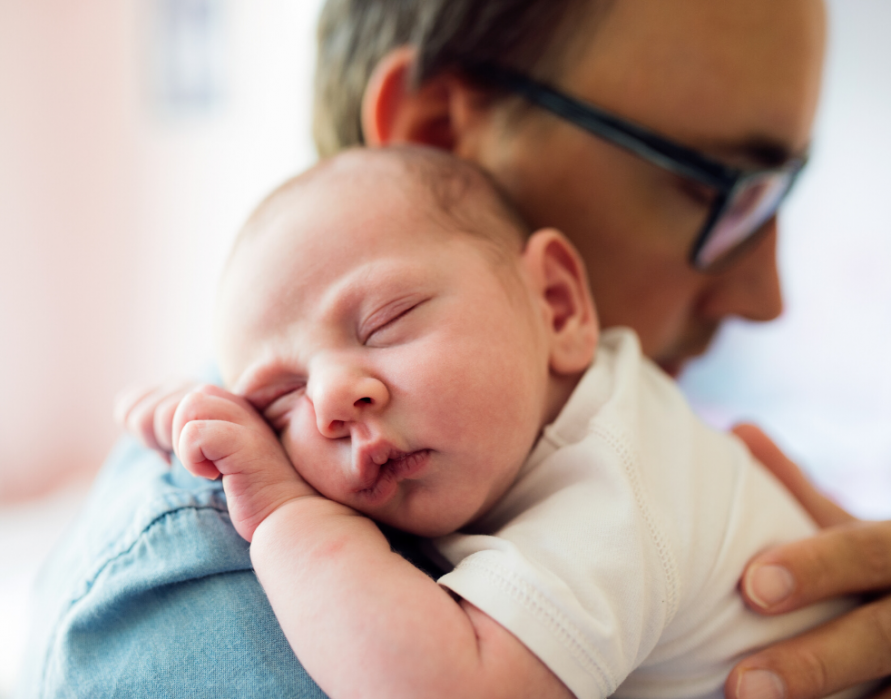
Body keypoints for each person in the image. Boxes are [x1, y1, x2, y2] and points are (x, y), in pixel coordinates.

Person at [18, 1, 891, 698]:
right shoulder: (192, 592)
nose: (764, 297)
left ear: (558, 299)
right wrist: (284, 506)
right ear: (435, 131)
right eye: (711, 186)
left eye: (774, 196)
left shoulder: (617, 462)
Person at [172, 144, 865, 699]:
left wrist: (287, 514)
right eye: (277, 403)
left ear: (557, 306)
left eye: (386, 321)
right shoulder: (524, 426)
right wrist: (189, 420)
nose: (327, 403)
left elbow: (446, 685)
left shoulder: (618, 481)